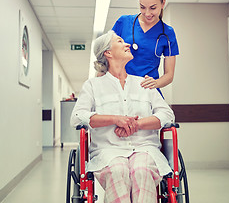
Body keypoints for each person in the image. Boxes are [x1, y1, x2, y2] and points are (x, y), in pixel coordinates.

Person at [70, 30, 175, 203]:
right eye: (120, 41)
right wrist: (115, 119)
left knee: (141, 170)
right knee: (118, 171)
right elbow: (77, 116)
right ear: (108, 53)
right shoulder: (93, 86)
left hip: (145, 149)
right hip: (108, 151)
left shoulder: (144, 83)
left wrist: (138, 124)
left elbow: (167, 114)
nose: (127, 44)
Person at [111, 0, 179, 93]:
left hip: (148, 91)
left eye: (153, 8)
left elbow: (169, 75)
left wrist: (156, 83)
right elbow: (106, 54)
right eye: (142, 7)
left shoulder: (167, 33)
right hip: (121, 88)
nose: (147, 13)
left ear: (163, 3)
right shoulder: (123, 22)